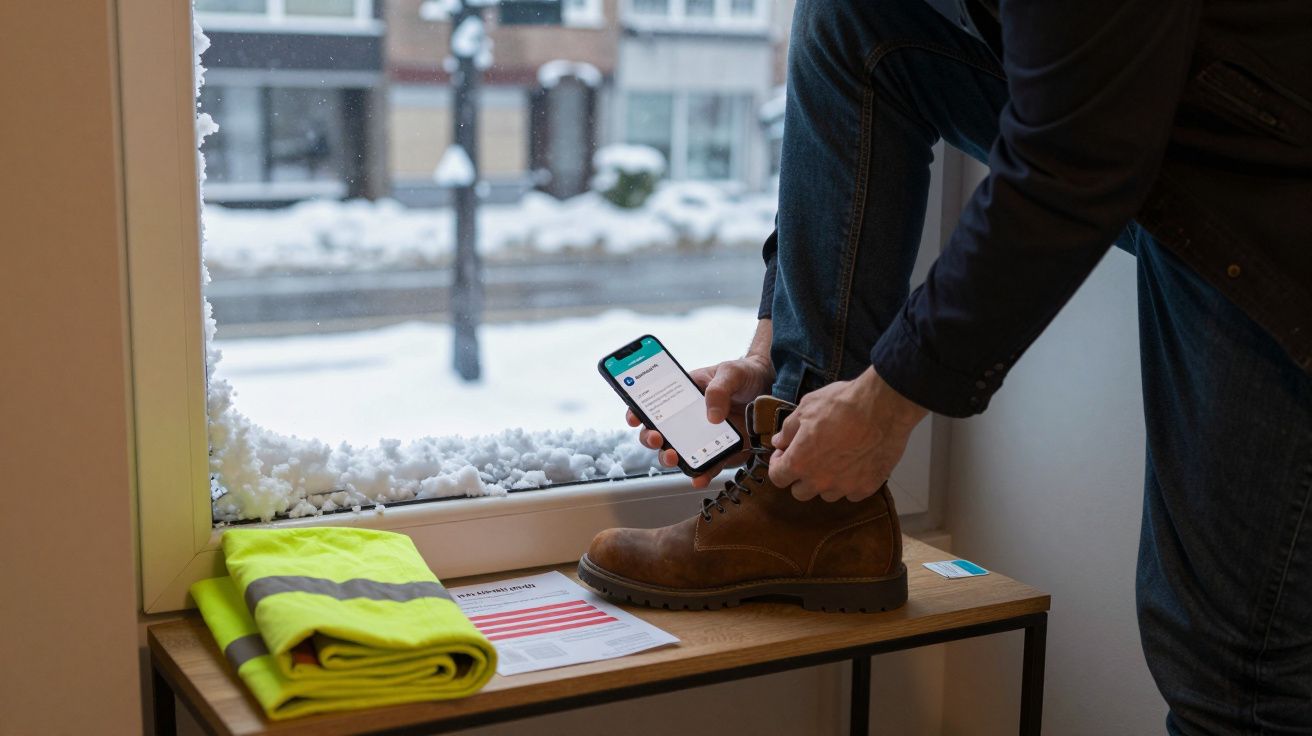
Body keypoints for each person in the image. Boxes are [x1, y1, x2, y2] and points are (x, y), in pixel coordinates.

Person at [581, 0, 1312, 732]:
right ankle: (802, 506)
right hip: (1182, 112)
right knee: (858, 21)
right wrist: (779, 368)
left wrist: (883, 403)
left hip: (1273, 190)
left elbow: (1074, 157)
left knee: (1237, 679)